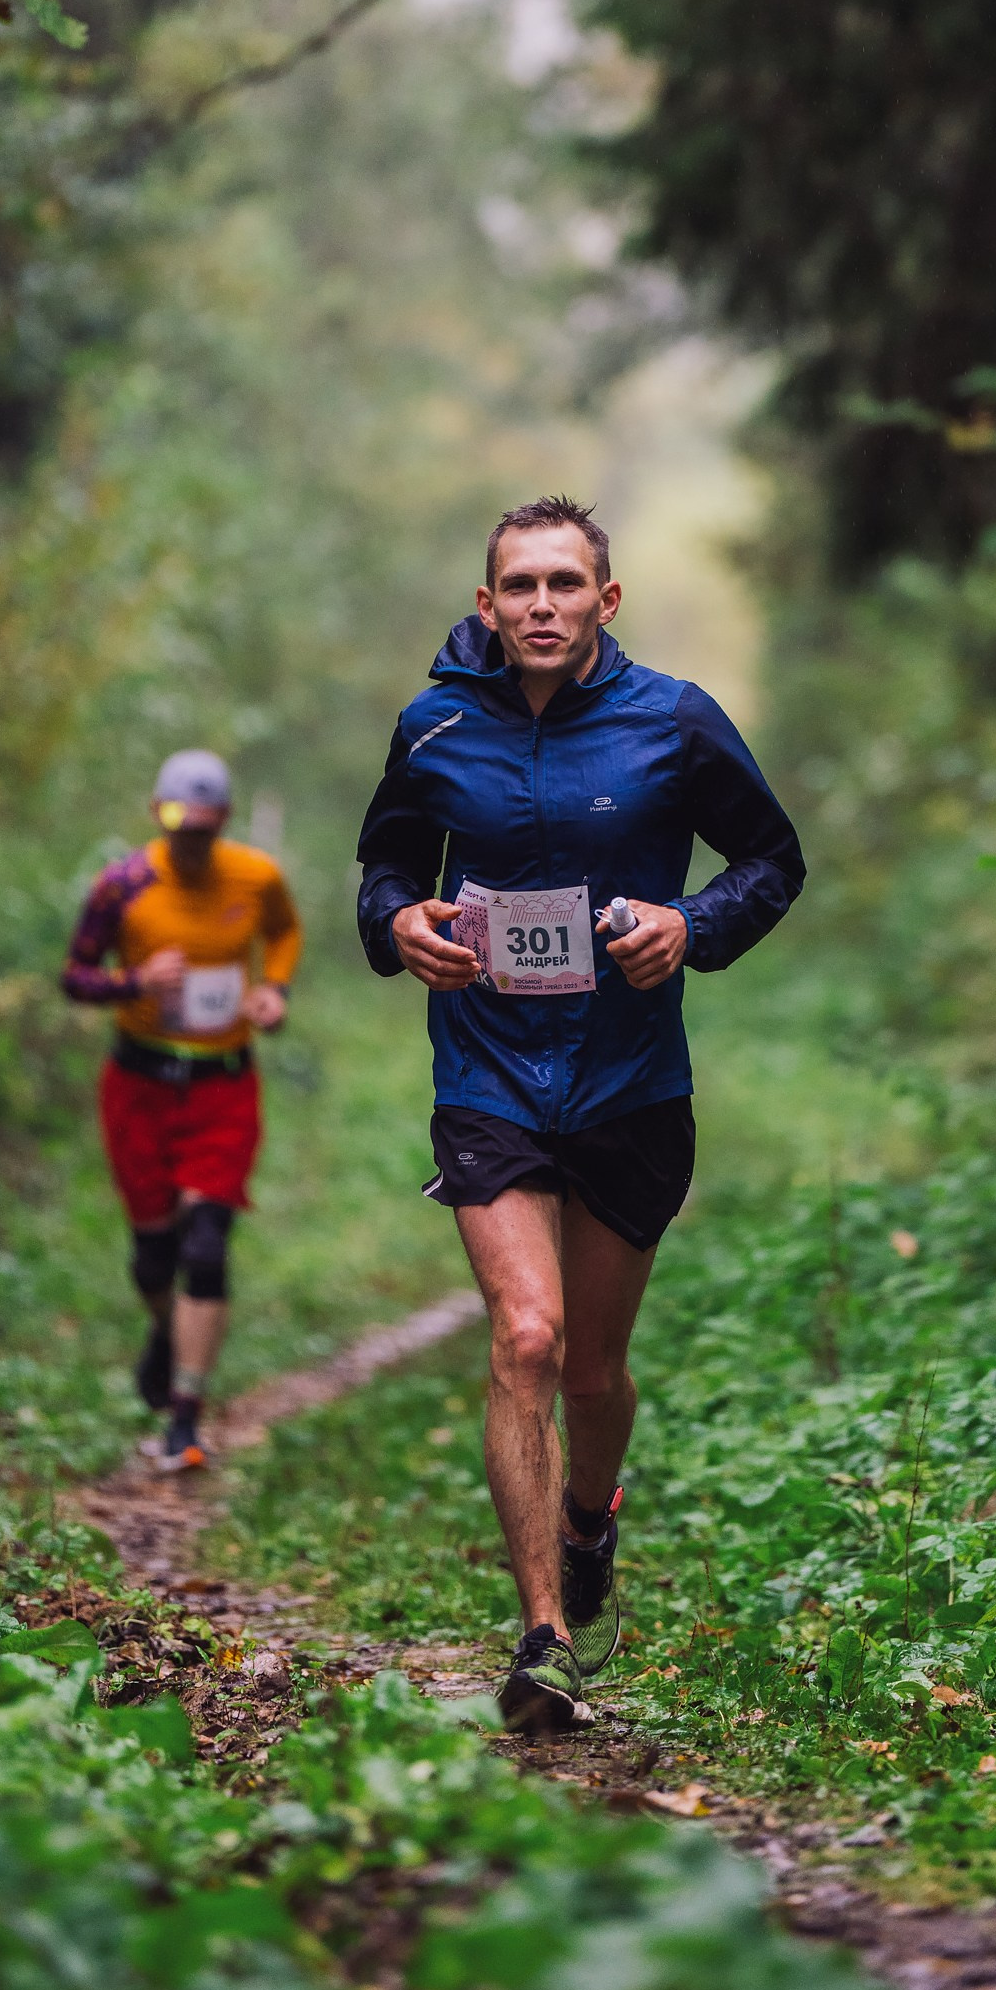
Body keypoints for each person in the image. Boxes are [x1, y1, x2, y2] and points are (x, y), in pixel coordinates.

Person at [356, 494, 805, 1734]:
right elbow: (385, 869)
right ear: (488, 604)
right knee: (528, 1339)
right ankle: (543, 1637)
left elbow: (773, 860)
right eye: (519, 587)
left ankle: (589, 1516)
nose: (541, 606)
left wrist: (692, 927)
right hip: (490, 1072)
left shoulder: (673, 721)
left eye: (564, 585)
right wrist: (397, 925)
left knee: (597, 1371)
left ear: (605, 602)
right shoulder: (435, 725)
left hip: (628, 1084)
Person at [61, 749, 301, 1470]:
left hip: (223, 1085)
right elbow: (75, 975)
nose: (189, 837)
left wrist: (274, 992)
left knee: (205, 1246)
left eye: (203, 825)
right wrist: (132, 982)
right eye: (175, 822)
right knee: (153, 1255)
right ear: (155, 814)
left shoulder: (255, 876)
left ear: (222, 821)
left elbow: (283, 934)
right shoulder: (123, 884)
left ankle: (185, 1415)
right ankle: (165, 1330)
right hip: (138, 1085)